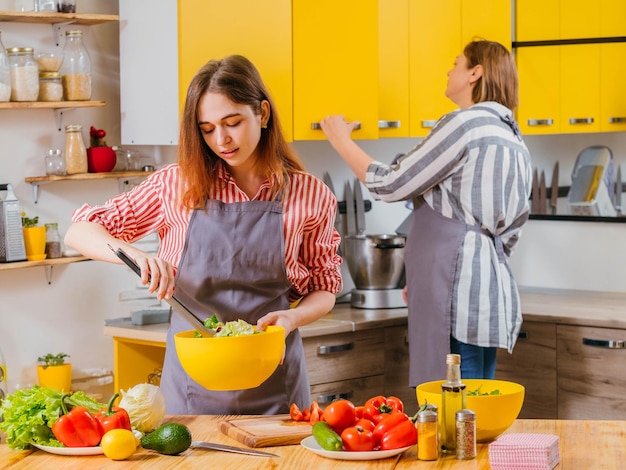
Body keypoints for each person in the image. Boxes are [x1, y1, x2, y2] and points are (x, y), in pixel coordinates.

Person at [65, 55, 342, 415]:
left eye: (232, 122)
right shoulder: (176, 184)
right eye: (207, 129)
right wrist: (134, 255)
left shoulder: (310, 194)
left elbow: (326, 287)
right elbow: (80, 230)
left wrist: (292, 318)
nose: (221, 140)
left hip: (276, 386)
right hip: (191, 390)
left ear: (263, 113)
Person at [320, 39, 532, 385]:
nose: (449, 70)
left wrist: (340, 139)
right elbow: (510, 233)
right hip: (484, 291)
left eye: (456, 63)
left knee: (452, 408)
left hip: (453, 291)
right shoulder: (513, 138)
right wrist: (425, 274)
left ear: (475, 73)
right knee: (476, 403)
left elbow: (391, 184)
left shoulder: (463, 125)